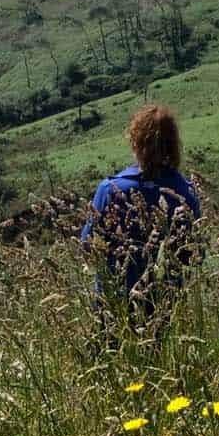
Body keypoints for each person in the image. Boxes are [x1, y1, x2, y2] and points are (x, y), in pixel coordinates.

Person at [82, 103, 201, 317]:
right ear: (173, 144)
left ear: (135, 141)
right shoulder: (187, 193)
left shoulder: (110, 190)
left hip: (115, 307)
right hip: (169, 308)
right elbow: (195, 253)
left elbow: (87, 246)